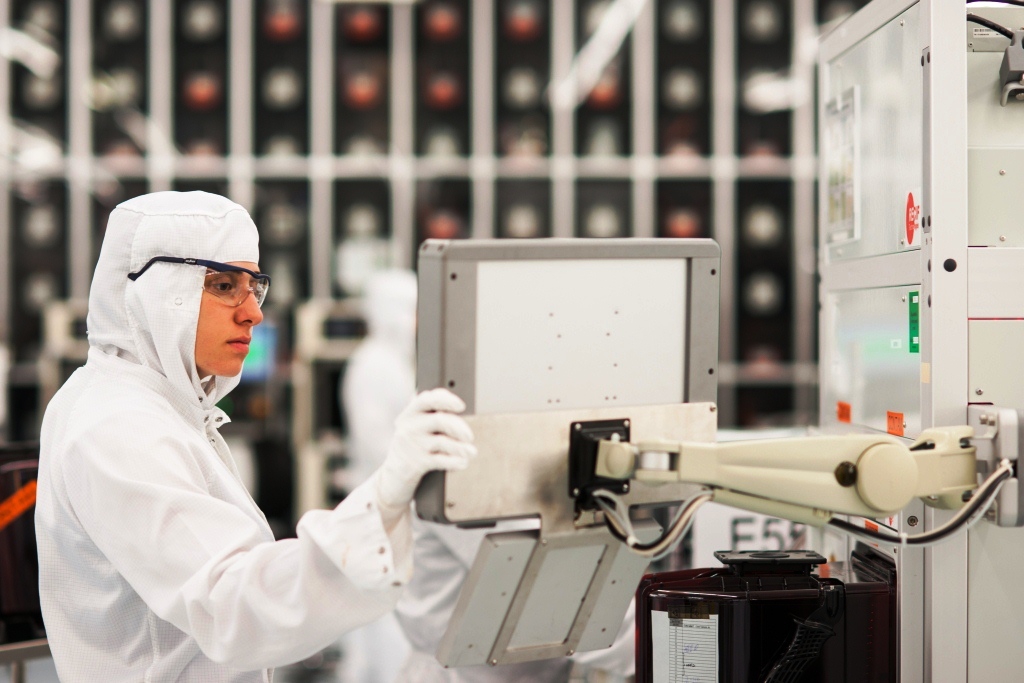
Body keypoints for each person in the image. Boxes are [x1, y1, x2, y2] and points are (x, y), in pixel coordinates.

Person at [34, 191, 476, 683]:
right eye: (224, 285)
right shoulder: (117, 426)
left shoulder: (158, 409)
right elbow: (232, 607)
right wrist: (383, 497)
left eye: (254, 287)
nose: (253, 313)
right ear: (154, 292)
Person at [336, 269, 418, 683]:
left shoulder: (396, 363)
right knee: (378, 613)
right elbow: (377, 443)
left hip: (396, 505)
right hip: (378, 504)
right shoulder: (372, 365)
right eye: (409, 310)